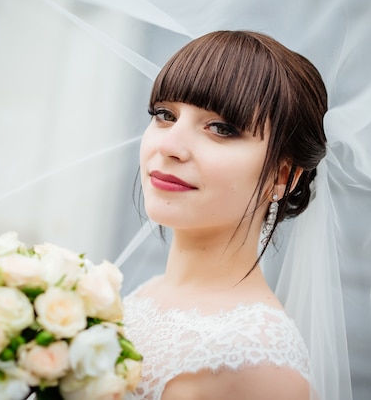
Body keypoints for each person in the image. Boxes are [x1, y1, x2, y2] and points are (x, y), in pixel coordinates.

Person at [123, 30, 327, 400]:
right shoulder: (147, 295)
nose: (169, 146)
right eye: (165, 115)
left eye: (220, 128)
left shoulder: (259, 363)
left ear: (282, 176)